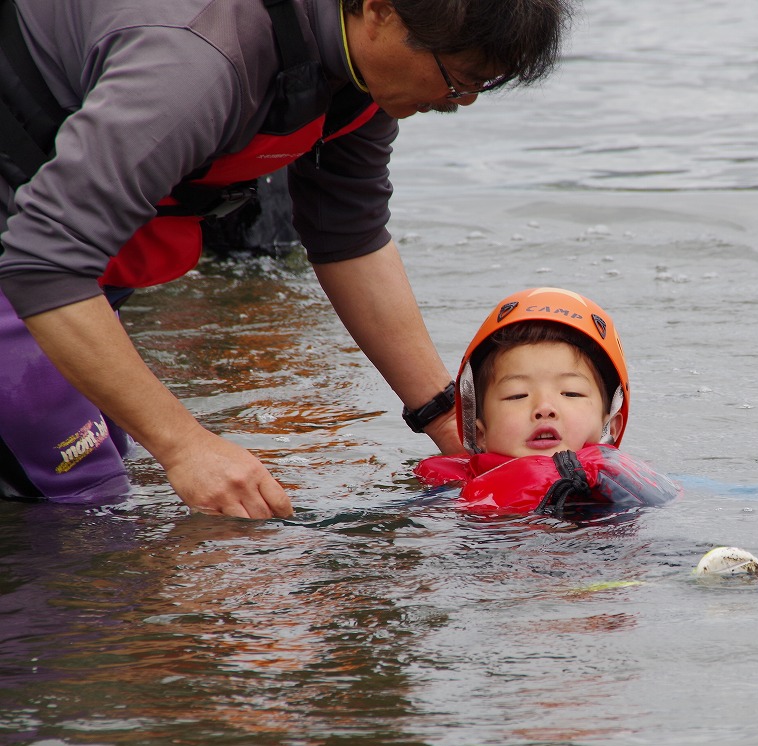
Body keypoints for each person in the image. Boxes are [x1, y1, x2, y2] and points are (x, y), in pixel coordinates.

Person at [0, 0, 571, 517]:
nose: (460, 103)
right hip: (31, 259)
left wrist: (446, 419)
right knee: (84, 500)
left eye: (480, 85)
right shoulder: (197, 63)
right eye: (456, 80)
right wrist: (186, 445)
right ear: (378, 11)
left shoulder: (362, 71)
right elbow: (43, 262)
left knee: (110, 459)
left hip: (63, 258)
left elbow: (347, 233)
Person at [414, 287, 679, 516]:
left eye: (571, 393)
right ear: (480, 434)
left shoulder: (631, 484)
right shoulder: (448, 495)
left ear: (611, 426)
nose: (544, 409)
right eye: (517, 395)